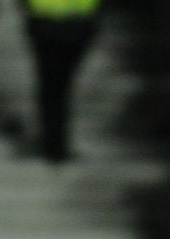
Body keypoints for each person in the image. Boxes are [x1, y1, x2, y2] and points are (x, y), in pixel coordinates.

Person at [22, 0, 99, 163]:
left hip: (50, 21)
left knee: (52, 86)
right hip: (72, 22)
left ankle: (53, 142)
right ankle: (55, 143)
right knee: (58, 86)